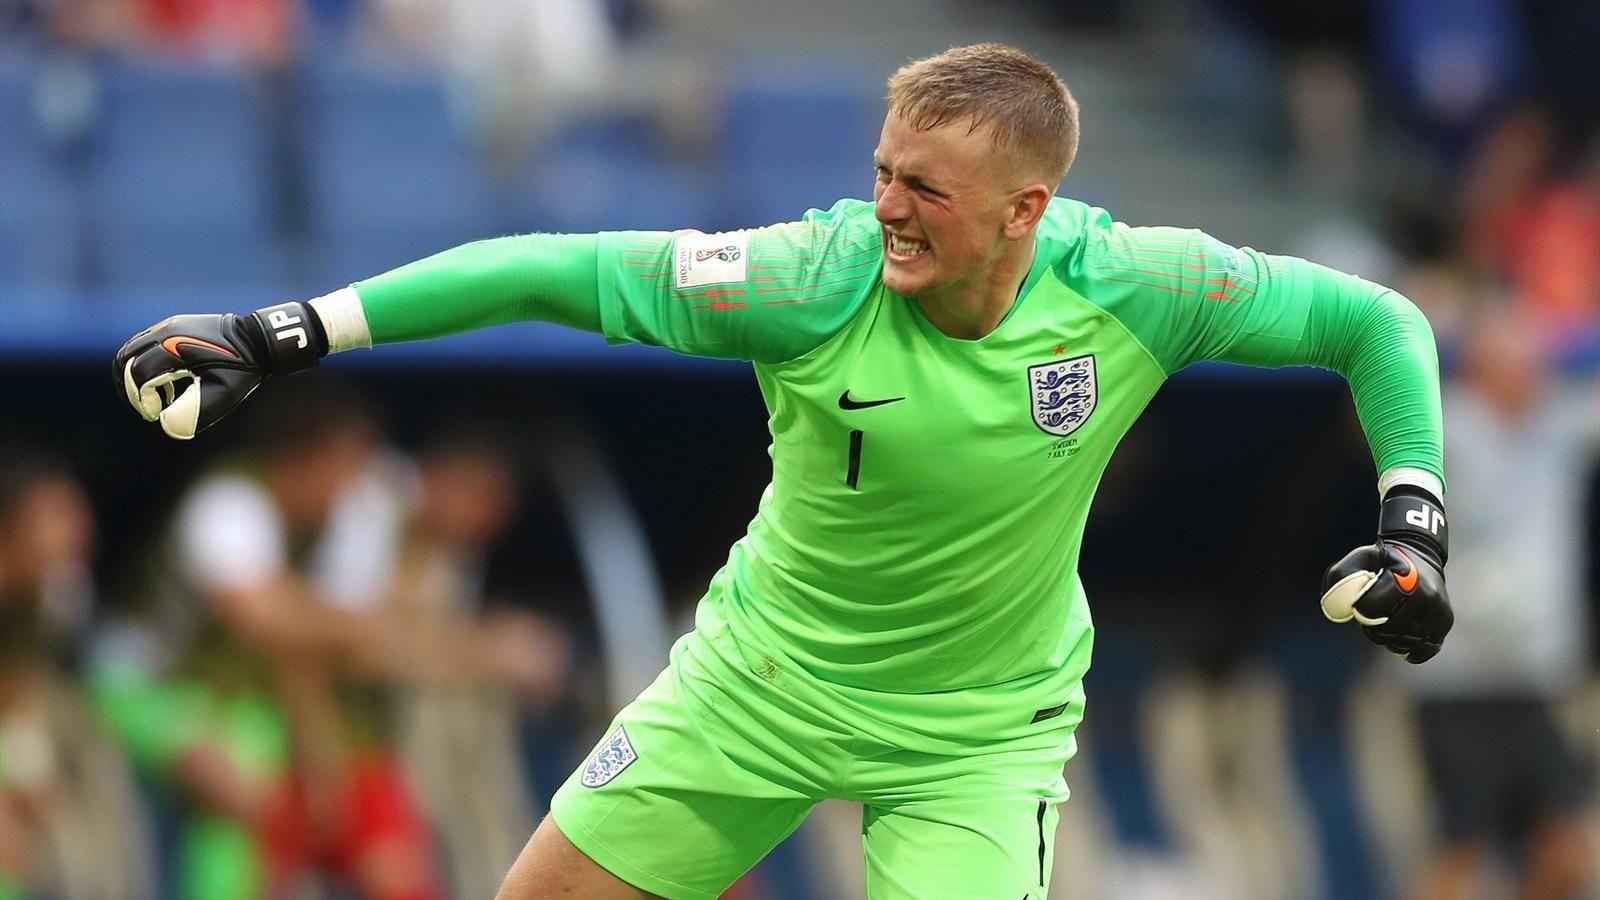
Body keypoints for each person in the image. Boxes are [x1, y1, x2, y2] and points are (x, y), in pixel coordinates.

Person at [113, 42, 1455, 900]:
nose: (886, 209)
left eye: (924, 189)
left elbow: (1375, 323)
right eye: (882, 172)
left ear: (1026, 212)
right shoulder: (811, 279)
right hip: (760, 682)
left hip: (974, 738)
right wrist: (283, 332)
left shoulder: (1139, 286)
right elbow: (547, 269)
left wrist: (1414, 523)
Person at [1403, 307, 1597, 900]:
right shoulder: (1440, 429)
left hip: (1532, 682)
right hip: (1456, 682)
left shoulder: (1557, 430)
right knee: (1461, 850)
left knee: (1566, 849)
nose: (1531, 374)